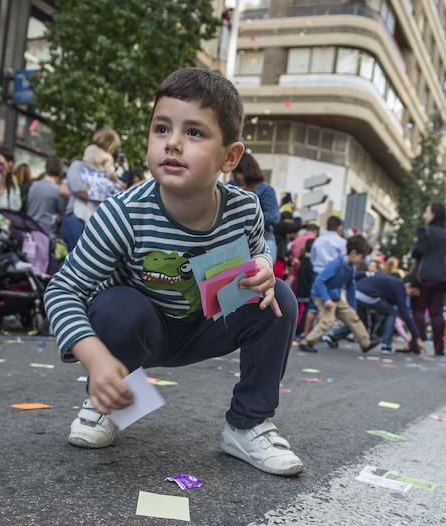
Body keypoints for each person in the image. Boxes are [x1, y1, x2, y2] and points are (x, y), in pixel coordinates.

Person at [44, 67, 303, 476]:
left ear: (230, 157)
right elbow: (62, 290)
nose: (174, 143)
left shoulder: (244, 208)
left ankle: (247, 424)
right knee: (117, 307)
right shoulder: (123, 214)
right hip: (143, 331)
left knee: (279, 300)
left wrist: (266, 269)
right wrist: (95, 359)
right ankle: (107, 404)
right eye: (162, 128)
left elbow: (257, 255)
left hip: (205, 326)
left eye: (195, 133)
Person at [298, 235, 374, 354]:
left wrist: (352, 307)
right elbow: (319, 281)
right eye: (362, 256)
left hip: (335, 296)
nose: (363, 260)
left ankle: (365, 343)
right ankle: (307, 342)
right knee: (328, 320)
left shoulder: (351, 267)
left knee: (352, 317)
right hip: (322, 296)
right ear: (354, 253)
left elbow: (351, 287)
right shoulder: (337, 263)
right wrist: (326, 299)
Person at [409, 202, 446, 355]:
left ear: (433, 214)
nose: (424, 215)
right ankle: (438, 348)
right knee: (437, 312)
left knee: (418, 309)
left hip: (426, 276)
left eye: (427, 211)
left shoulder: (425, 230)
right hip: (444, 277)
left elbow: (418, 251)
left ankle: (417, 344)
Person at [354, 272, 424, 354]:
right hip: (368, 294)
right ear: (408, 285)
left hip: (356, 291)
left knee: (356, 320)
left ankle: (335, 336)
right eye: (412, 292)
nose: (410, 296)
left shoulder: (392, 282)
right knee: (391, 313)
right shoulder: (400, 288)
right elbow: (406, 316)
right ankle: (386, 345)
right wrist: (417, 338)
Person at [232, 151, 280, 260]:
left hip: (264, 241)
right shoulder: (231, 186)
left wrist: (249, 216)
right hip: (238, 243)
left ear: (248, 170)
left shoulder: (266, 190)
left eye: (239, 172)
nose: (236, 177)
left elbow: (274, 217)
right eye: (234, 173)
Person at [26, 156, 70, 242]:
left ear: (46, 168)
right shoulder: (57, 191)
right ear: (60, 171)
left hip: (29, 231)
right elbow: (62, 215)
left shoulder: (33, 185)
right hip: (46, 235)